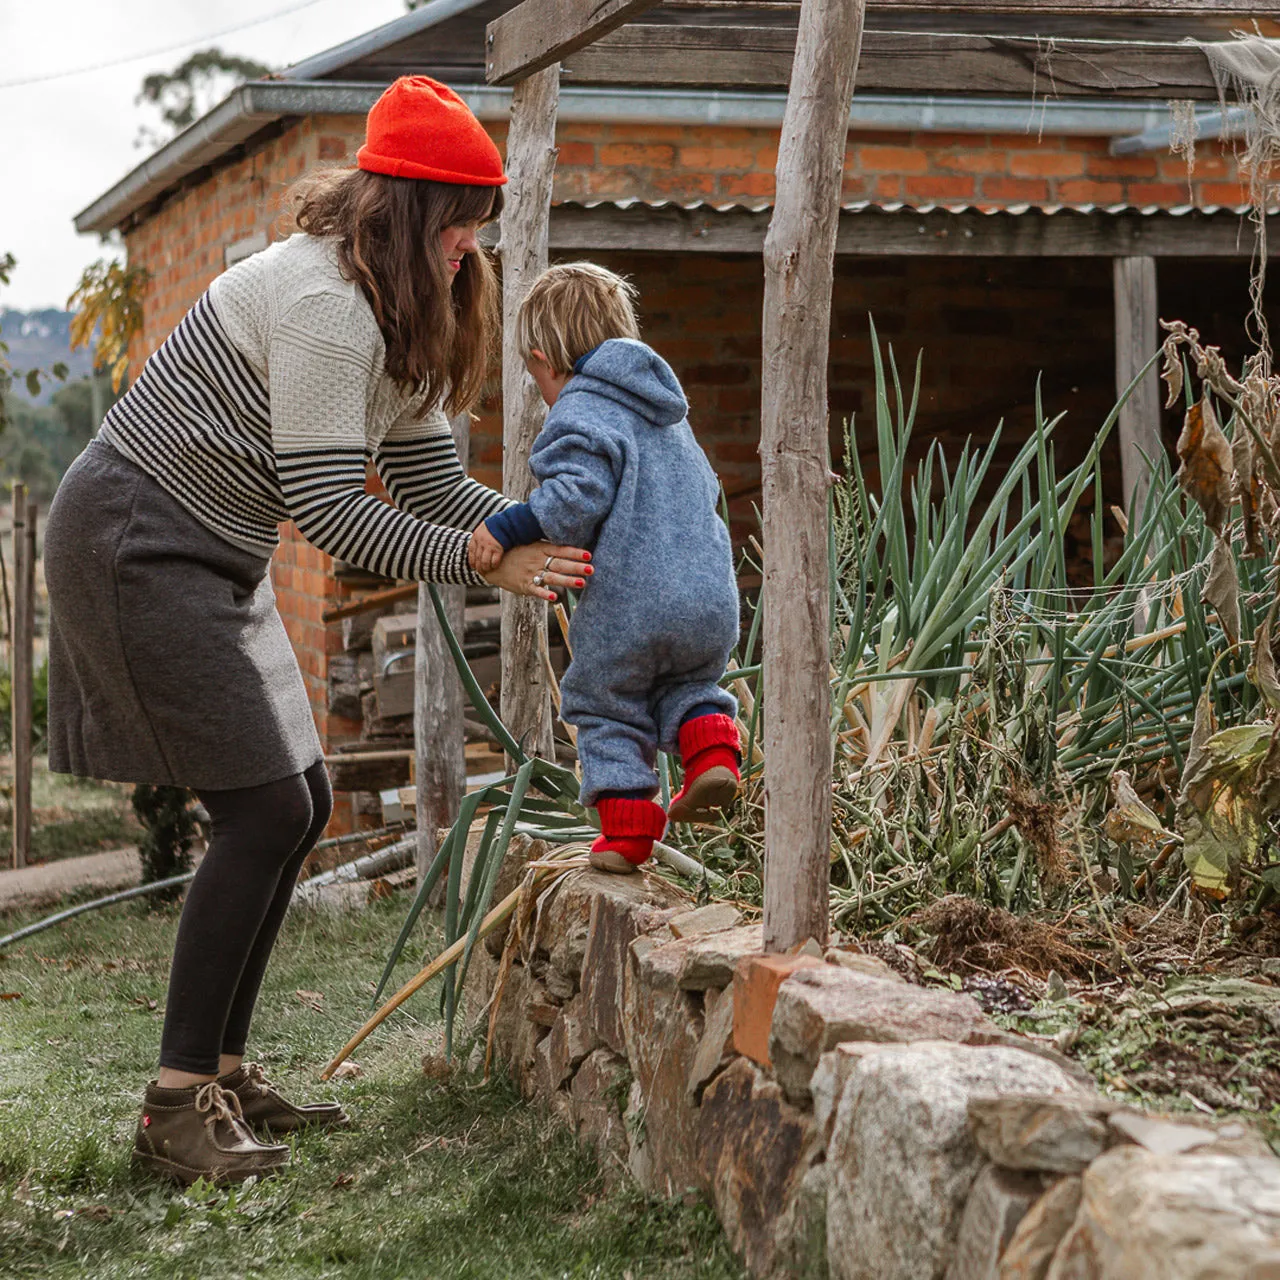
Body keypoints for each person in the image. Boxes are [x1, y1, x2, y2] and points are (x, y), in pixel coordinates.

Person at [42, 75, 591, 1187]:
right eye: (458, 220)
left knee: (300, 802)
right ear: (402, 210)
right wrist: (492, 559)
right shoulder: (323, 305)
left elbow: (437, 483)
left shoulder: (402, 309)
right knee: (256, 809)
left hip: (209, 547)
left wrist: (546, 528)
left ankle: (226, 1077)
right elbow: (338, 512)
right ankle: (170, 1109)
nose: (470, 244)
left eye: (480, 219)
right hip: (136, 540)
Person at [470, 263, 742, 874]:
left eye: (533, 373)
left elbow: (572, 501)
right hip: (710, 598)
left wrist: (504, 527)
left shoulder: (579, 409)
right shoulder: (669, 413)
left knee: (602, 704)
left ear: (545, 359)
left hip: (631, 605)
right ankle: (713, 755)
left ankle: (626, 835)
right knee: (689, 686)